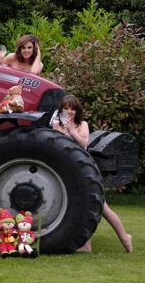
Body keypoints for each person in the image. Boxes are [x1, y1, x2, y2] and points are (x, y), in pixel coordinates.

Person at [51, 94, 133, 253]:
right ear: (60, 110)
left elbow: (84, 144)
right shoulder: (56, 124)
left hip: (84, 170)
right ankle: (87, 245)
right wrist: (62, 129)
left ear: (77, 111)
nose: (69, 112)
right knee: (84, 207)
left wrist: (70, 131)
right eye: (65, 108)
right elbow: (56, 146)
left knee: (102, 208)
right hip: (66, 170)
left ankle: (124, 237)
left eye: (72, 109)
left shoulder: (82, 125)